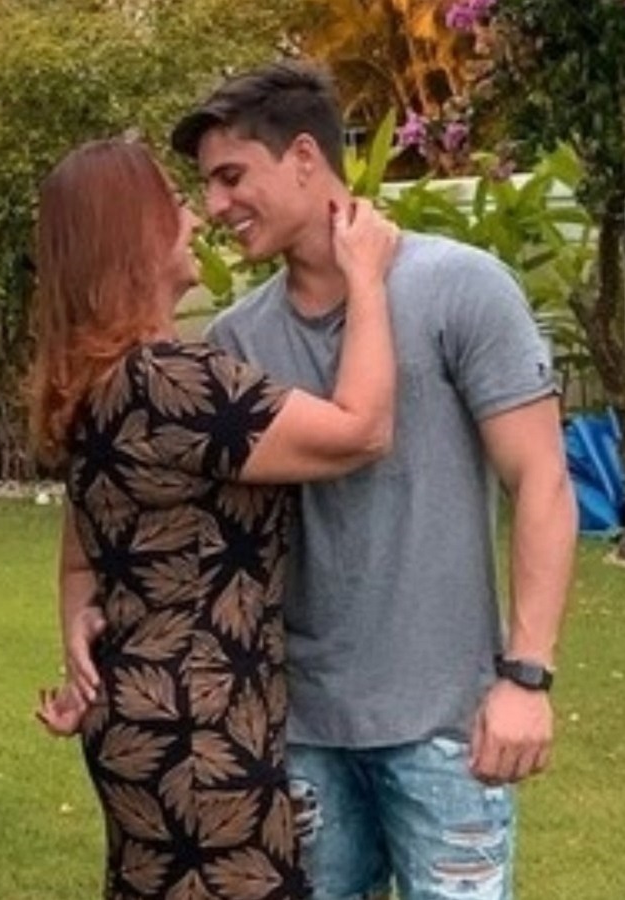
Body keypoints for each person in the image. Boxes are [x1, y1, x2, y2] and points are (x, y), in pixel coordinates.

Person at [161, 62, 579, 899]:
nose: (215, 205)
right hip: (299, 730)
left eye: (231, 176)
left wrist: (526, 675)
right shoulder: (238, 340)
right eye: (207, 185)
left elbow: (541, 480)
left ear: (303, 157)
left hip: (446, 729)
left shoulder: (458, 287)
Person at [26, 138, 401, 899]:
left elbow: (78, 559)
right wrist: (365, 277)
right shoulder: (175, 381)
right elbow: (362, 431)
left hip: (133, 718)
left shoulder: (93, 384)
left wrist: (78, 646)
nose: (196, 219)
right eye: (175, 205)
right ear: (134, 233)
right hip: (204, 734)